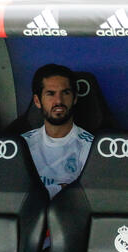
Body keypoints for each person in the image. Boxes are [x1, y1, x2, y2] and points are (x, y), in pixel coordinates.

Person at [22, 64, 94, 200]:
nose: (59, 101)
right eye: (51, 94)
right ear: (37, 101)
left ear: (75, 98)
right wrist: (60, 188)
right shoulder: (22, 144)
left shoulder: (90, 147)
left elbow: (86, 197)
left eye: (65, 93)